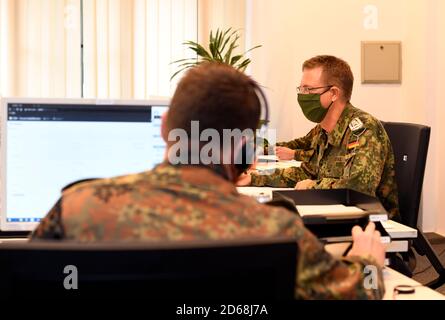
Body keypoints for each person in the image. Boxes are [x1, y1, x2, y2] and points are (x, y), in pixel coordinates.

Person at [31, 62, 385, 299]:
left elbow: (20, 279)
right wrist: (368, 262)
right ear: (244, 148)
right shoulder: (277, 232)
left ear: (165, 126)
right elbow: (360, 292)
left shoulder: (79, 205)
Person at [239, 55, 399, 220]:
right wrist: (252, 179)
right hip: (335, 215)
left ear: (334, 93)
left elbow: (358, 188)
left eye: (308, 90)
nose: (302, 96)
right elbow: (306, 173)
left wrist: (313, 186)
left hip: (371, 226)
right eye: (300, 89)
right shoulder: (324, 130)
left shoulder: (364, 128)